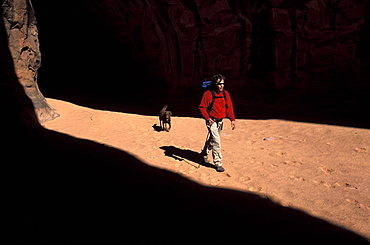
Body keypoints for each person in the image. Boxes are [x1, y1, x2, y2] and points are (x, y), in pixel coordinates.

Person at [199, 74, 236, 172]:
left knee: (213, 139)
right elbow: (202, 107)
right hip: (212, 121)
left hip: (220, 121)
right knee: (216, 142)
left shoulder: (225, 94)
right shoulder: (208, 94)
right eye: (219, 84)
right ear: (215, 84)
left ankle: (204, 154)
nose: (221, 86)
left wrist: (232, 120)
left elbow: (229, 107)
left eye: (223, 84)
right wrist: (207, 118)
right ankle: (218, 163)